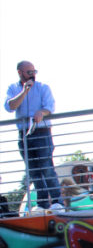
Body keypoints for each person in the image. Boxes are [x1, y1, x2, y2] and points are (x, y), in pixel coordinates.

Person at [4, 61, 62, 212]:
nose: (32, 75)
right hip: (24, 134)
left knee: (46, 167)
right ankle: (42, 204)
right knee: (34, 171)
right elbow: (10, 106)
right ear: (20, 73)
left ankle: (58, 201)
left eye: (34, 71)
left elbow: (50, 106)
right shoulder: (13, 88)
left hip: (42, 132)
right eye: (29, 72)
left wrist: (41, 113)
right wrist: (24, 92)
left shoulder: (43, 87)